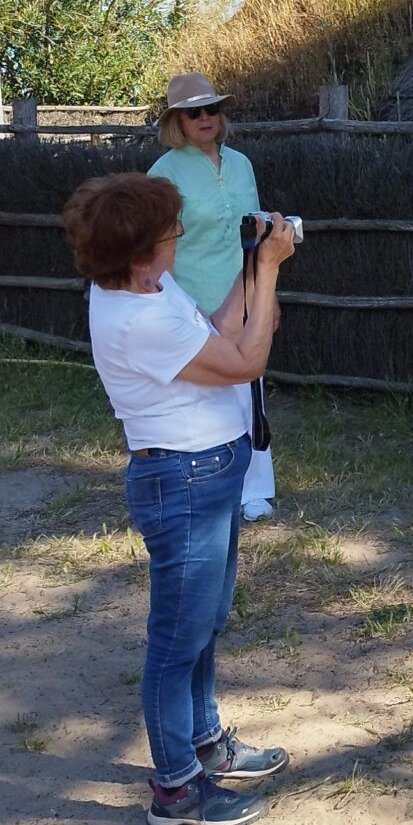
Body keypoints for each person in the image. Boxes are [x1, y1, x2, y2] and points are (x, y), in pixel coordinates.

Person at [63, 171, 297, 825]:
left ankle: (204, 743)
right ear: (141, 251)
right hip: (183, 479)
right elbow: (246, 360)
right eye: (171, 232)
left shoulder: (147, 286)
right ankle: (176, 789)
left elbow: (219, 333)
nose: (180, 238)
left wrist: (251, 265)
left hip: (208, 469)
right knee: (176, 638)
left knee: (206, 616)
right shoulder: (135, 317)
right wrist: (272, 271)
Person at [148, 71, 278, 521]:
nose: (205, 118)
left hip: (246, 292)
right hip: (194, 297)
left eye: (212, 109)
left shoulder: (242, 164)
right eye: (193, 111)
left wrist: (268, 294)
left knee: (251, 387)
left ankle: (257, 487)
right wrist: (181, 306)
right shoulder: (162, 174)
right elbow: (155, 248)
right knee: (212, 393)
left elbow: (259, 232)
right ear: (177, 121)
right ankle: (216, 482)